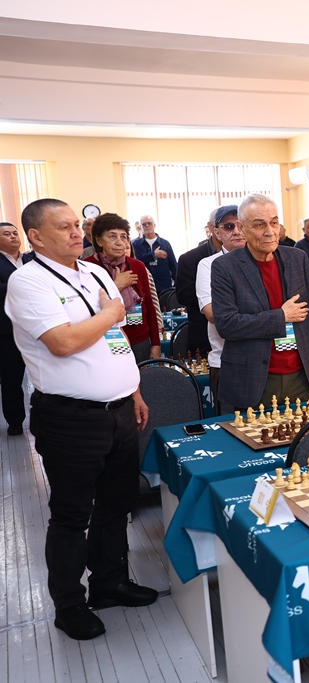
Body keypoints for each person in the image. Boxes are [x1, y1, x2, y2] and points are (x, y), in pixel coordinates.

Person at [6, 198, 156, 641]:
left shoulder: (93, 273)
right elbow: (64, 342)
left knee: (116, 503)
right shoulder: (27, 281)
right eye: (64, 227)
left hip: (119, 410)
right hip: (71, 419)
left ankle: (109, 581)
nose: (77, 233)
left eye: (77, 225)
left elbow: (115, 338)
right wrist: (111, 311)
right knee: (72, 515)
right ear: (36, 237)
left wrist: (133, 389)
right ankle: (69, 604)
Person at [211, 194, 309, 416]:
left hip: (301, 378)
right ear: (242, 228)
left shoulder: (298, 258)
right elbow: (227, 324)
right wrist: (281, 316)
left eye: (274, 223)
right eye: (259, 225)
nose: (270, 231)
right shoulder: (225, 267)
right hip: (254, 380)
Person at [84, 213, 162, 363]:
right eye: (112, 236)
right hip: (104, 340)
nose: (119, 242)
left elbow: (150, 307)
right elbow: (86, 308)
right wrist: (116, 285)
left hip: (139, 340)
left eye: (123, 237)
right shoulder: (87, 267)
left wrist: (156, 344)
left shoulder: (137, 266)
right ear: (99, 241)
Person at [196, 205, 246, 406]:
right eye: (229, 226)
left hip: (264, 361)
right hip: (226, 361)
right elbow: (213, 313)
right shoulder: (208, 265)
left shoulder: (264, 262)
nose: (237, 231)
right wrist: (264, 317)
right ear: (217, 233)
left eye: (241, 225)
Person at [0, 221, 33, 435]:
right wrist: (22, 285)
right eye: (7, 234)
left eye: (15, 233)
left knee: (45, 372)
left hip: (36, 327)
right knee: (12, 378)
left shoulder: (31, 259)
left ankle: (44, 418)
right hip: (8, 330)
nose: (13, 236)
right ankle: (15, 421)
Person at [175, 208, 221, 354]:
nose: (234, 231)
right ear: (212, 227)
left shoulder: (245, 256)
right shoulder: (189, 258)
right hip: (202, 332)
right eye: (228, 226)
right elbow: (183, 295)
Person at [131, 215, 177, 294]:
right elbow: (135, 261)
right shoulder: (135, 244)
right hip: (144, 287)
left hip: (164, 287)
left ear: (154, 225)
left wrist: (177, 283)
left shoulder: (165, 243)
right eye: (144, 224)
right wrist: (153, 255)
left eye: (149, 223)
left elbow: (173, 265)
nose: (147, 226)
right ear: (140, 227)